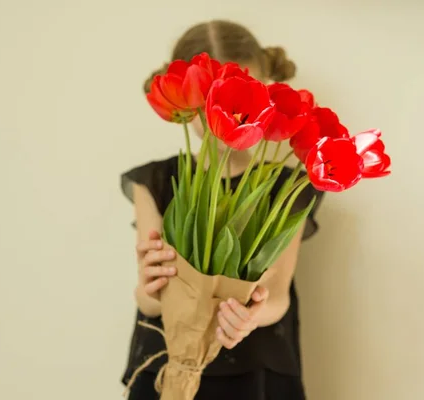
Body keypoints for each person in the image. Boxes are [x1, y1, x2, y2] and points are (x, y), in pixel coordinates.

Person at [120, 19, 323, 400]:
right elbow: (148, 298)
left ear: (267, 97)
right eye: (209, 97)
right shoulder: (156, 180)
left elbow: (276, 295)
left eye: (243, 97)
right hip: (167, 363)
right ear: (184, 97)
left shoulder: (290, 186)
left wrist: (249, 316)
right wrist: (149, 287)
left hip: (255, 367)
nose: (226, 112)